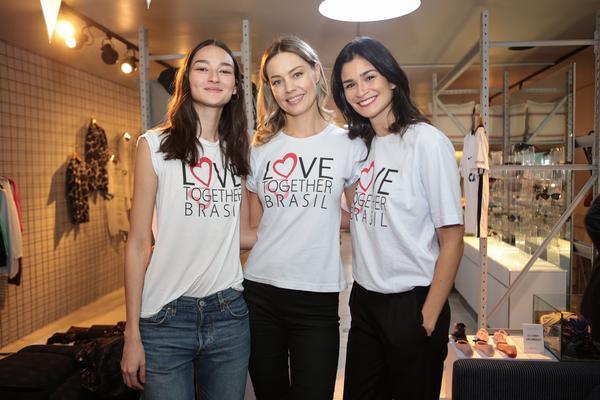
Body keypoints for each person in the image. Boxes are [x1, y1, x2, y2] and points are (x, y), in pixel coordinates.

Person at [330, 36, 464, 400]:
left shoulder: (426, 142)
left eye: (369, 77)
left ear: (391, 78)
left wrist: (427, 318)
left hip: (413, 303)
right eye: (350, 84)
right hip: (365, 302)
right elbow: (360, 215)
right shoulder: (359, 147)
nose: (361, 91)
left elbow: (452, 239)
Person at [120, 39, 253, 400]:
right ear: (186, 80)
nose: (214, 76)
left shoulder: (239, 150)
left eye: (225, 70)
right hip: (164, 317)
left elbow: (242, 233)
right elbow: (137, 242)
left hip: (228, 313)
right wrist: (132, 333)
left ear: (235, 87)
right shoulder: (155, 145)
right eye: (202, 67)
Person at [243, 36, 366, 400]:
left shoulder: (349, 144)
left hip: (318, 297)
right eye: (277, 81)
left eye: (296, 74)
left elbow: (362, 218)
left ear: (316, 73)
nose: (288, 88)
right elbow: (253, 228)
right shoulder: (260, 149)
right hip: (261, 292)